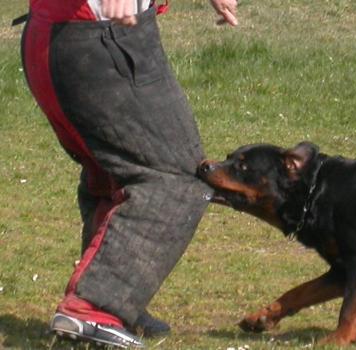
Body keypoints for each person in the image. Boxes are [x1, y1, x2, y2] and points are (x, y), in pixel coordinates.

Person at [20, 0, 238, 347]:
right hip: (95, 39)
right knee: (177, 176)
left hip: (69, 38)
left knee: (116, 170)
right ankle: (94, 306)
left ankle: (113, 298)